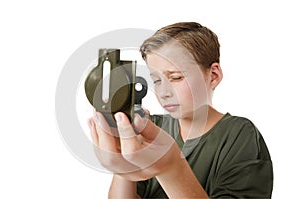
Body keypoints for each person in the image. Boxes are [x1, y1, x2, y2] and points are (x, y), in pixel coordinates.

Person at [87, 22, 273, 198]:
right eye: (157, 80)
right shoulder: (153, 127)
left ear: (213, 76)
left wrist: (171, 167)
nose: (164, 92)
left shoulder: (239, 135)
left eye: (176, 77)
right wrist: (124, 167)